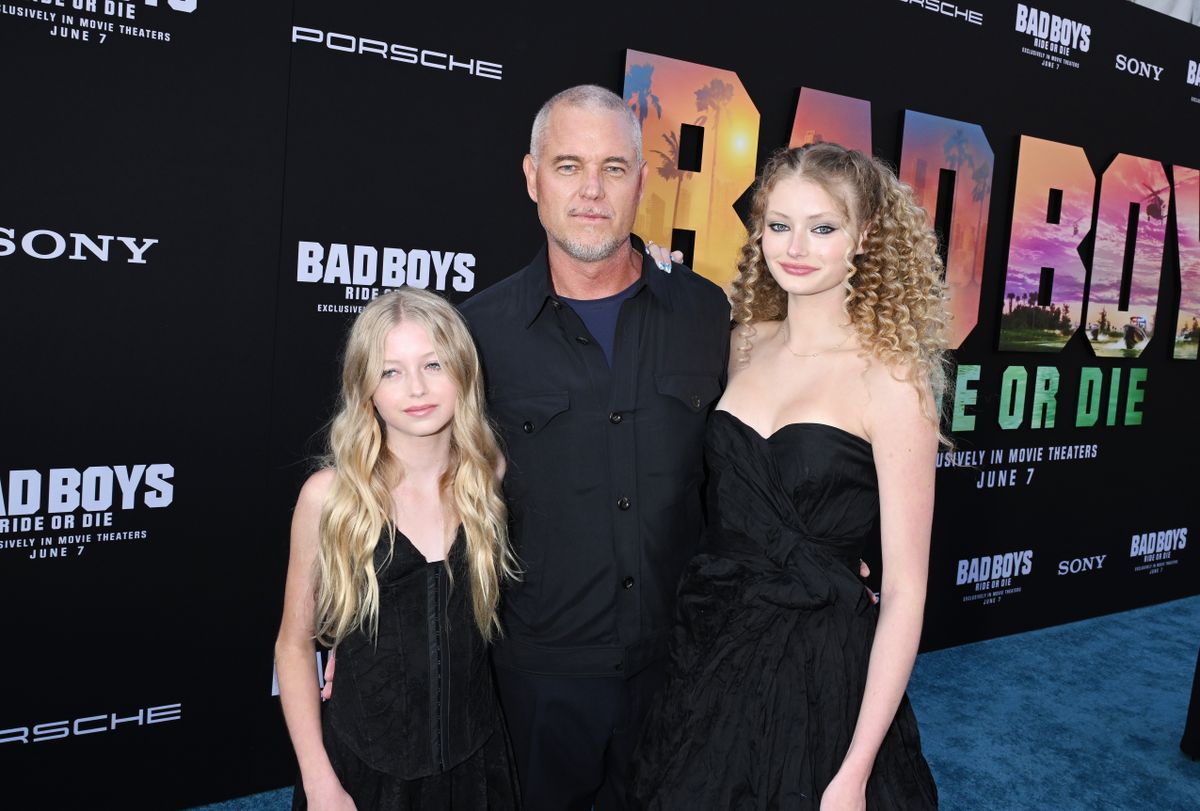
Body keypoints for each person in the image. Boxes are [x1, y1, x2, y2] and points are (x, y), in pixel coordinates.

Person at [633, 143, 946, 809]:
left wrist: (856, 770)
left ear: (863, 236)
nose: (795, 246)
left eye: (822, 227)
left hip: (819, 670)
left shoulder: (891, 377)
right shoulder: (743, 340)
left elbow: (907, 592)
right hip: (712, 639)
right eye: (778, 225)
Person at [458, 85, 731, 810]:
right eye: (568, 165)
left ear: (643, 181)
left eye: (614, 168)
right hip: (540, 677)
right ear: (531, 177)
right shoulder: (475, 333)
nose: (590, 190)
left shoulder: (706, 313)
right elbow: (423, 493)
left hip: (681, 663)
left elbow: (744, 472)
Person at [274, 289, 520, 809]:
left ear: (463, 372)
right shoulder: (329, 497)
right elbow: (293, 646)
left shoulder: (486, 474)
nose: (416, 388)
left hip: (475, 762)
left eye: (433, 364)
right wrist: (320, 784)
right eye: (391, 371)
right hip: (362, 769)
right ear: (366, 388)